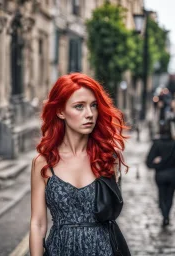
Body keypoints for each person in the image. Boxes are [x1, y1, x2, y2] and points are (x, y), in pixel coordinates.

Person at [29, 73, 129, 255]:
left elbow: (111, 212)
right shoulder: (43, 163)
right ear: (60, 111)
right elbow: (38, 223)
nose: (89, 114)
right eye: (79, 107)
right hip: (60, 249)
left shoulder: (107, 157)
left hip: (102, 250)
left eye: (93, 106)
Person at [145, 121, 175, 227]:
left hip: (160, 175)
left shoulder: (156, 144)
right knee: (170, 197)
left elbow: (149, 163)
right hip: (173, 175)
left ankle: (165, 215)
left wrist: (157, 162)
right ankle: (167, 214)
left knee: (162, 196)